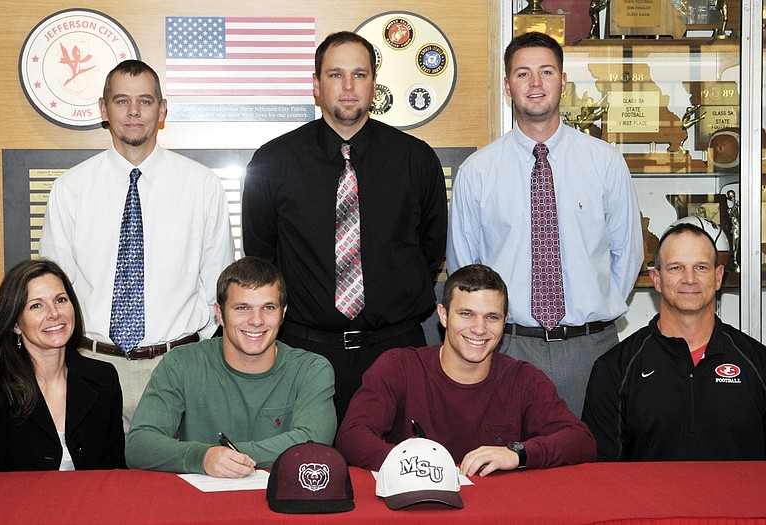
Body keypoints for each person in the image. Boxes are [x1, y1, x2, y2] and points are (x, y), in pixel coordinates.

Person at [243, 31, 447, 424]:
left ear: (374, 83)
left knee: (400, 472)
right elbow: (261, 256)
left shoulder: (415, 160)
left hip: (396, 350)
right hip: (303, 353)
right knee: (306, 474)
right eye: (336, 75)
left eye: (360, 74)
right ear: (316, 85)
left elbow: (430, 250)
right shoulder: (272, 162)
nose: (349, 87)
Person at [447, 31, 643, 417]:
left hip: (591, 349)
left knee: (592, 465)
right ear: (507, 85)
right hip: (507, 348)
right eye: (523, 74)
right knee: (507, 466)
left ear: (563, 81)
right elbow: (464, 270)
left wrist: (591, 307)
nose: (535, 84)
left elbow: (628, 254)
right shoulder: (478, 172)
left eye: (546, 72)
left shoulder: (605, 163)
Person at [39, 60, 234, 429]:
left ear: (162, 110)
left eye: (145, 101)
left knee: (175, 485)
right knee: (98, 486)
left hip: (177, 367)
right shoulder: (71, 189)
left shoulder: (201, 185)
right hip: (93, 367)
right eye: (121, 101)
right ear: (103, 108)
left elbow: (217, 288)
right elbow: (55, 289)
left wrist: (190, 352)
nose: (133, 112)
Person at [335, 264, 596, 475]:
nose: (479, 329)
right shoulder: (399, 367)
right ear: (444, 315)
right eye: (467, 314)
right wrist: (411, 464)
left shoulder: (524, 379)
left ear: (505, 322)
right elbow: (352, 436)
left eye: (491, 317)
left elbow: (581, 441)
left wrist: (518, 453)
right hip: (418, 505)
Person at [125, 257, 336, 477]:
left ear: (283, 314)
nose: (256, 320)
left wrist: (225, 455)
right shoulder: (181, 364)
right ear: (219, 314)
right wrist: (203, 457)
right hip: (201, 503)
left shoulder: (312, 370)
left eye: (268, 308)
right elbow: (139, 445)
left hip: (281, 502)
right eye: (242, 308)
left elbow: (314, 441)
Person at [582, 222, 766, 461]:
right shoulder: (614, 370)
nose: (689, 279)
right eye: (676, 268)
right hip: (647, 500)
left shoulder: (758, 363)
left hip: (738, 500)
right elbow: (603, 476)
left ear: (718, 276)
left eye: (700, 267)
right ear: (656, 279)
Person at [0, 259, 125, 472]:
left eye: (60, 300)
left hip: (90, 504)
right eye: (36, 306)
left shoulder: (103, 379)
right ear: (15, 324)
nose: (53, 313)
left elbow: (113, 473)